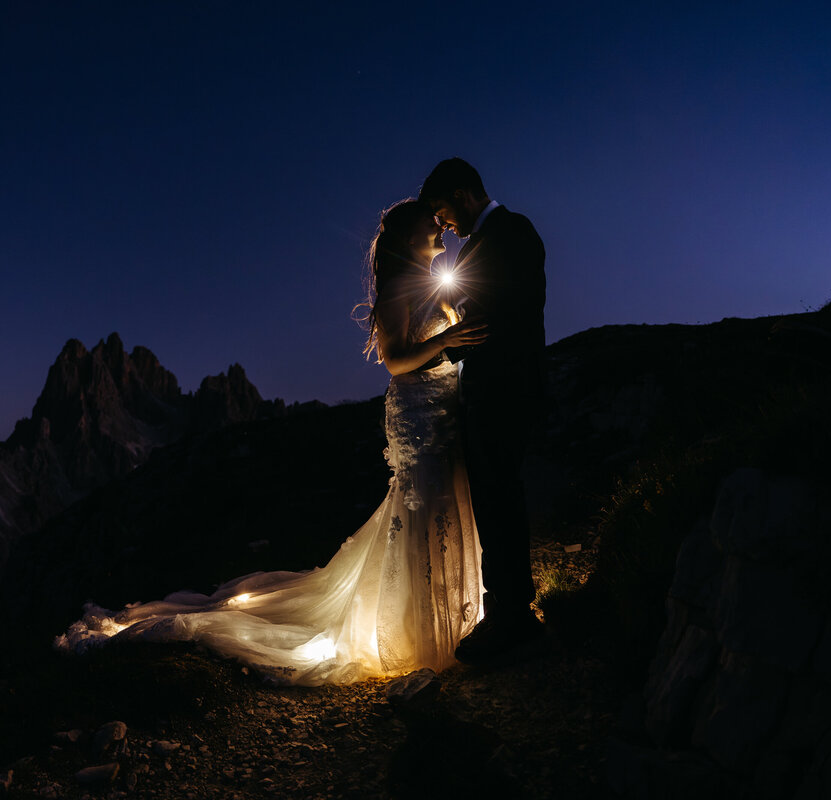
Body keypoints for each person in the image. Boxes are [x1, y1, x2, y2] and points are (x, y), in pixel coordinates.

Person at [55, 200, 491, 685]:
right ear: (410, 237)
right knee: (423, 502)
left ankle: (448, 614)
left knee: (445, 500)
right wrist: (446, 341)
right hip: (417, 410)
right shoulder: (397, 289)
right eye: (431, 224)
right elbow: (395, 360)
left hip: (444, 405)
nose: (441, 229)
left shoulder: (434, 286)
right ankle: (420, 631)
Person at [418, 157, 547, 663]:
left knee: (499, 498)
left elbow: (507, 315)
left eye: (442, 210)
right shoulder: (483, 243)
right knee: (494, 499)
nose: (443, 223)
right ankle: (510, 611)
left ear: (462, 193)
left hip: (505, 388)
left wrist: (444, 346)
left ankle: (511, 617)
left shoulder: (513, 232)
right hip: (489, 390)